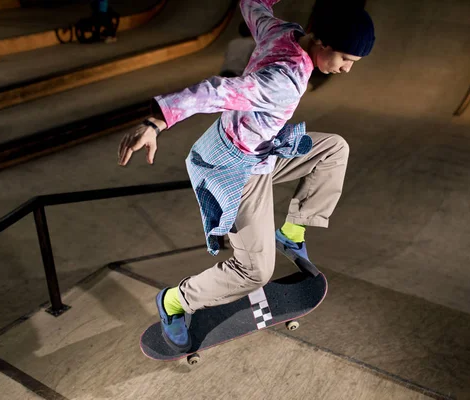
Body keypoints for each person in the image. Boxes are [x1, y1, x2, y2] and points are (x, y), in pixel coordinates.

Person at [118, 0, 375, 354]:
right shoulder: (282, 80)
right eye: (346, 59)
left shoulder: (283, 31)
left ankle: (291, 232)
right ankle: (175, 302)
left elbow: (253, 6)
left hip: (265, 149)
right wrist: (156, 121)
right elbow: (216, 92)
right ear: (325, 43)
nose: (347, 69)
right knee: (255, 271)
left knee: (333, 150)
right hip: (237, 166)